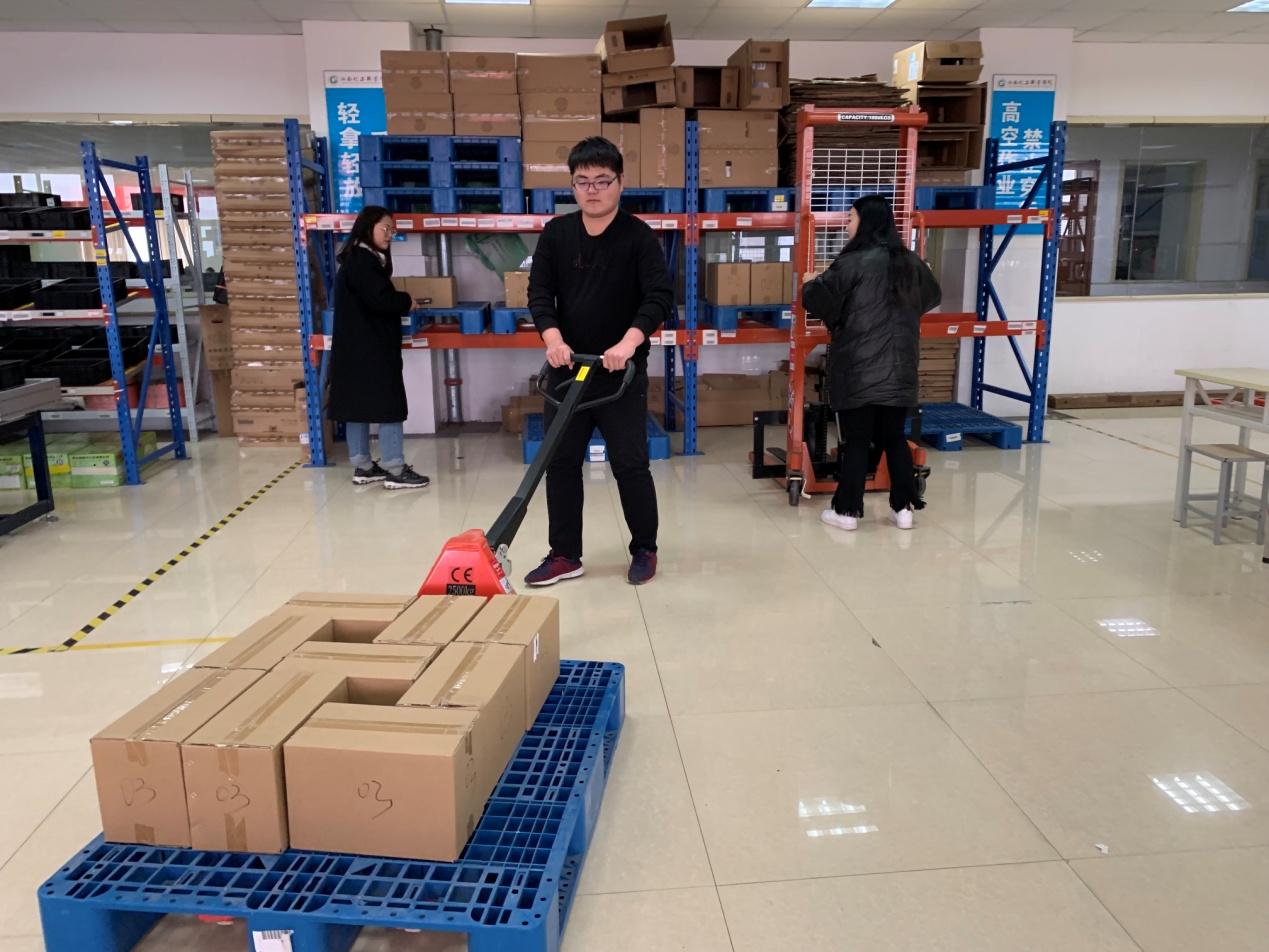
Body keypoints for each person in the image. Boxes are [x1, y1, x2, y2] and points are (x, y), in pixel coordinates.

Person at [525, 137, 674, 586]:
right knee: (560, 464)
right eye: (582, 181)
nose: (592, 190)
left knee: (630, 464)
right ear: (573, 185)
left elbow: (658, 297)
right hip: (566, 372)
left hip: (618, 374)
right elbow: (539, 293)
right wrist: (553, 339)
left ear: (620, 182)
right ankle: (565, 554)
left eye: (602, 180)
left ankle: (644, 548)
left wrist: (628, 344)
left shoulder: (638, 237)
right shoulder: (556, 234)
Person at [801, 194, 942, 531]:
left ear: (866, 222)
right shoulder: (911, 263)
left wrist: (809, 284)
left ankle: (847, 512)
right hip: (901, 367)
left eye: (850, 218)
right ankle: (903, 509)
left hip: (859, 367)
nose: (847, 225)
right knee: (894, 437)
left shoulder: (852, 263)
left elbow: (819, 299)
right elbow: (932, 296)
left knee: (857, 441)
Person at [327, 205, 430, 491]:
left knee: (356, 406)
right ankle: (396, 469)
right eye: (385, 228)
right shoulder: (363, 261)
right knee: (389, 406)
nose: (390, 234)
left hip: (355, 349)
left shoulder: (356, 258)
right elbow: (381, 300)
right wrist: (406, 300)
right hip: (371, 349)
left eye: (392, 230)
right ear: (367, 227)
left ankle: (363, 466)